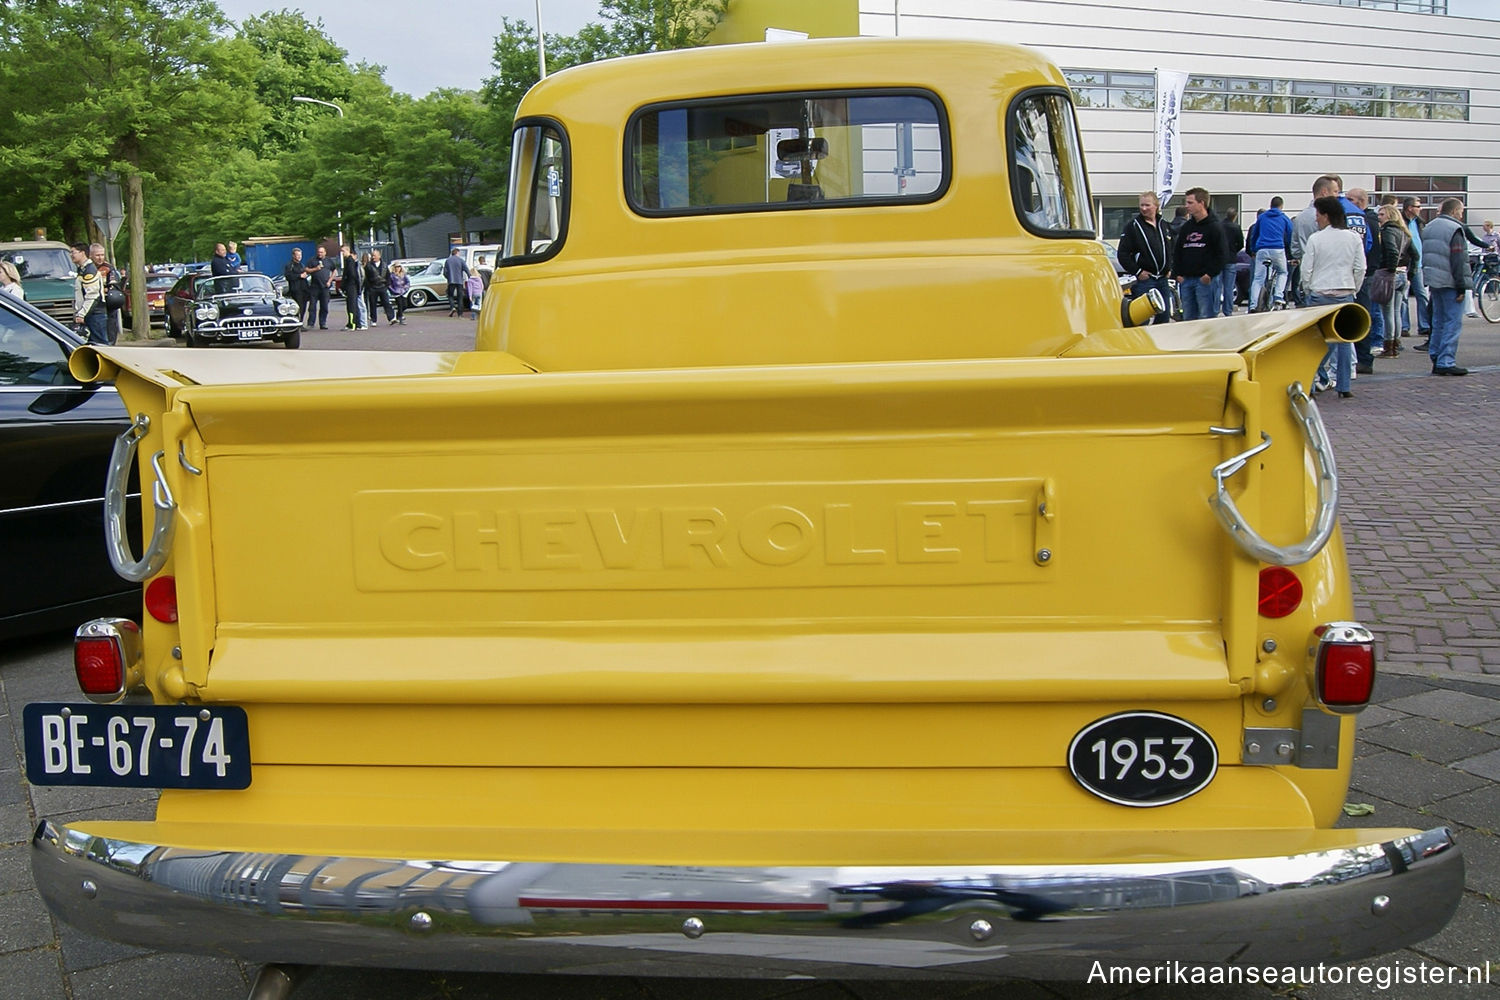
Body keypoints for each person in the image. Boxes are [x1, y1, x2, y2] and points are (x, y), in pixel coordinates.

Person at [1300, 197, 1364, 398]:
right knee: (1345, 342)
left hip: (1320, 293)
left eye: (1318, 214)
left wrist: (1308, 287)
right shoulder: (1353, 238)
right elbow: (1360, 267)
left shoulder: (1315, 239)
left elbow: (1306, 269)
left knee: (1317, 342)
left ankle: (1310, 383)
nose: (1316, 218)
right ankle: (1343, 386)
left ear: (1326, 215)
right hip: (1344, 292)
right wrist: (1354, 288)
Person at [1421, 197, 1473, 376]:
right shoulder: (1455, 230)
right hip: (1450, 281)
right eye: (1460, 211)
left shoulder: (1429, 227)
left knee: (1438, 321)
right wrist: (1461, 286)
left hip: (1434, 280)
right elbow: (1458, 260)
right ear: (1454, 211)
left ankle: (1436, 357)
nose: (1461, 214)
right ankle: (1446, 360)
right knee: (1452, 322)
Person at [1116, 190, 1173, 323]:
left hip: (1162, 279)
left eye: (1147, 205)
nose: (1144, 208)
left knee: (1164, 316)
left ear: (1156, 206)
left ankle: (1160, 342)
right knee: (1142, 318)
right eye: (1141, 205)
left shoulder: (1164, 225)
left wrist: (1170, 268)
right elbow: (1123, 254)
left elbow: (1171, 248)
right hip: (1145, 280)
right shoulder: (1133, 226)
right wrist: (1138, 271)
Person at [1172, 187, 1228, 321]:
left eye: (1190, 203)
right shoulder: (1186, 227)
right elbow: (1178, 250)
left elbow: (1222, 254)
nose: (1187, 206)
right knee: (1188, 318)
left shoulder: (1215, 227)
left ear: (1201, 203)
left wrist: (1210, 274)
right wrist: (1178, 273)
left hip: (1205, 280)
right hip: (1186, 280)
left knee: (1206, 317)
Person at [1346, 189, 1384, 372]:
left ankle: (1363, 358)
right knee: (1366, 314)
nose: (1346, 202)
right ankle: (1363, 357)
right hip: (1369, 271)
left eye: (1350, 199)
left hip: (1365, 274)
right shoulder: (1371, 220)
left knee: (1362, 316)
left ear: (1361, 201)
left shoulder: (1364, 221)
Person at [1376, 203, 1414, 359]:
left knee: (1387, 312)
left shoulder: (1388, 231)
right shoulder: (1404, 232)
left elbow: (1391, 251)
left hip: (1391, 273)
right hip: (1403, 274)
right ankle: (1396, 342)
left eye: (1382, 214)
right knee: (1396, 310)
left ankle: (1389, 346)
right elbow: (1415, 255)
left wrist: (1390, 270)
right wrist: (1410, 273)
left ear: (1390, 216)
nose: (1379, 217)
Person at [1247, 196, 1293, 311]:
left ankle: (1253, 305)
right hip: (1278, 249)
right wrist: (1289, 252)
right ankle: (1278, 295)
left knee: (1258, 278)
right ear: (1281, 206)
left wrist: (1254, 249)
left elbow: (1254, 234)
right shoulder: (1284, 218)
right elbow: (1290, 235)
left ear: (1270, 205)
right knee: (1282, 272)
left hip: (1262, 250)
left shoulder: (1262, 218)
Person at [1402, 198, 1431, 345]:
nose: (1420, 209)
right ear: (1409, 208)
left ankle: (1424, 325)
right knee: (1403, 297)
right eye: (1417, 206)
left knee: (1422, 294)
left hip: (1418, 264)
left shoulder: (1419, 222)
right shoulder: (1401, 220)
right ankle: (1404, 326)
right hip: (1406, 263)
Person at [69, 243, 109, 344]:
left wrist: (81, 315)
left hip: (95, 314)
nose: (71, 255)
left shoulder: (89, 271)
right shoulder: (83, 269)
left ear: (82, 253)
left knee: (101, 346)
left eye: (73, 252)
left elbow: (92, 296)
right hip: (91, 314)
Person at [90, 244, 123, 344]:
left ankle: (110, 344)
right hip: (92, 302)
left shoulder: (108, 268)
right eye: (97, 255)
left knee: (110, 325)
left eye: (102, 255)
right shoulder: (87, 268)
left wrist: (104, 289)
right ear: (91, 255)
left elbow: (115, 286)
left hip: (106, 303)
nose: (100, 258)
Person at [1219, 207, 1244, 316]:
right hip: (1231, 259)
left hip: (1219, 259)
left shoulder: (1219, 226)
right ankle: (1228, 310)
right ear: (1235, 216)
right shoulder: (1236, 227)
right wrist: (1234, 251)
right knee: (1229, 287)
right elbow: (1241, 243)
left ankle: (1215, 308)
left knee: (1217, 286)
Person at [304, 245, 334, 330]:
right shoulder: (312, 260)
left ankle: (323, 323)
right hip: (314, 287)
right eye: (318, 252)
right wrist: (315, 269)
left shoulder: (329, 261)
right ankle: (311, 323)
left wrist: (330, 281)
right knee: (312, 306)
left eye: (321, 252)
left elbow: (334, 270)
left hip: (325, 287)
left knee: (324, 306)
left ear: (325, 253)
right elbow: (306, 269)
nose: (319, 254)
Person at [364, 249, 394, 326]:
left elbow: (388, 276)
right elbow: (366, 278)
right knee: (373, 304)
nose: (373, 257)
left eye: (374, 255)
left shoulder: (384, 264)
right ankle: (373, 320)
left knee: (386, 302)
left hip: (383, 286)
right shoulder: (368, 266)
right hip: (373, 287)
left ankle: (391, 318)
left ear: (379, 256)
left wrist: (387, 285)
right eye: (372, 255)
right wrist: (369, 287)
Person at [283, 248, 310, 326]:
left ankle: (301, 322)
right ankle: (296, 323)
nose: (299, 257)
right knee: (298, 307)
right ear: (293, 255)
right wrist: (299, 276)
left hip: (304, 289)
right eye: (297, 255)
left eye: (300, 255)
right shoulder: (289, 265)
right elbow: (288, 276)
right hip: (296, 290)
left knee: (303, 307)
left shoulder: (302, 265)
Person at [341, 245, 366, 330]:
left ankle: (353, 323)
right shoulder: (349, 260)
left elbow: (352, 274)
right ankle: (355, 323)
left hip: (351, 286)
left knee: (351, 306)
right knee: (352, 305)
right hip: (352, 286)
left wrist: (346, 283)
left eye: (343, 251)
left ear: (347, 251)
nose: (342, 253)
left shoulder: (349, 260)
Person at [443, 247, 469, 317]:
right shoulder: (461, 260)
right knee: (460, 297)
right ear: (457, 253)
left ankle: (452, 307)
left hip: (451, 281)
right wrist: (469, 277)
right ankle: (460, 314)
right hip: (459, 281)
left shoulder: (448, 260)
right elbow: (466, 269)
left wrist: (448, 278)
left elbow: (445, 272)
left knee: (450, 295)